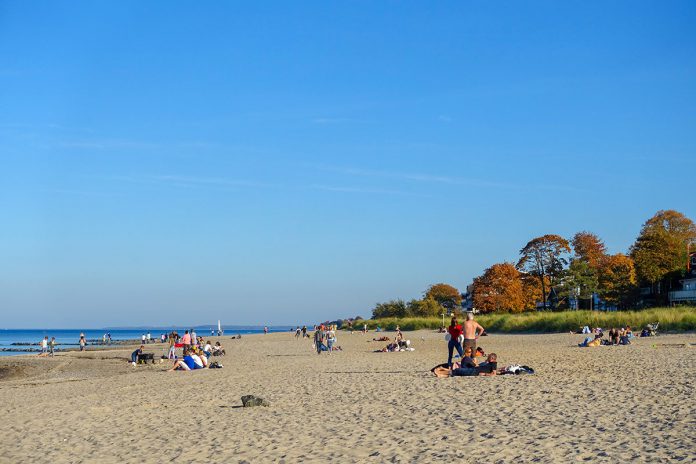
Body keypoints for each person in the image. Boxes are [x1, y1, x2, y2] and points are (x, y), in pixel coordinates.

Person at [433, 353, 498, 378]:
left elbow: (494, 374)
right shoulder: (489, 363)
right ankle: (442, 375)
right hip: (475, 370)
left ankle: (440, 372)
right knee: (459, 371)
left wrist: (484, 374)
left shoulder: (494, 363)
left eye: (489, 357)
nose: (488, 358)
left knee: (458, 370)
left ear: (492, 358)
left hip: (475, 371)